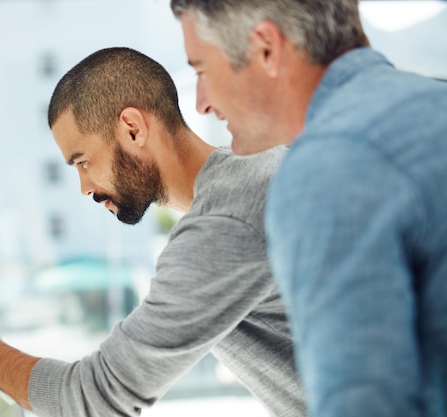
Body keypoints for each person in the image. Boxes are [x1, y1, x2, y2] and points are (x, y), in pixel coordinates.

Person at [0, 47, 306, 416]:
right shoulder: (258, 175)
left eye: (83, 161)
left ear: (132, 128)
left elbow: (94, 398)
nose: (85, 188)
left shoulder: (225, 223)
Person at [170, 1, 447, 417]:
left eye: (202, 70)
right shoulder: (433, 101)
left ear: (265, 48)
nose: (201, 103)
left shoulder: (328, 168)